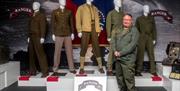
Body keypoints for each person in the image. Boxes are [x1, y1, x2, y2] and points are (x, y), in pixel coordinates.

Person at [111, 14, 139, 91]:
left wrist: (121, 53)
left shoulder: (134, 30)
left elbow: (132, 46)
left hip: (128, 59)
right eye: (124, 19)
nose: (126, 21)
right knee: (119, 78)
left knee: (129, 79)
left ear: (131, 21)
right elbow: (113, 41)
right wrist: (115, 51)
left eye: (128, 20)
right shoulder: (117, 29)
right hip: (118, 58)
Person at [76, 0, 104, 74]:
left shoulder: (95, 8)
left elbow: (97, 20)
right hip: (85, 29)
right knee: (83, 47)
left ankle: (100, 66)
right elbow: (78, 19)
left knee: (96, 47)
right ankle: (82, 67)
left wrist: (98, 30)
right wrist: (79, 30)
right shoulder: (81, 8)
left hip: (94, 28)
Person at [51, 0, 76, 74]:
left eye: (65, 1)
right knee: (57, 52)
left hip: (68, 34)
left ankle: (72, 68)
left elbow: (71, 23)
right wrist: (53, 33)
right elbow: (52, 23)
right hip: (58, 34)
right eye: (62, 1)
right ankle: (55, 69)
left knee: (69, 51)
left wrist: (72, 33)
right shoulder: (55, 11)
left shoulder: (69, 11)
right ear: (59, 2)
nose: (64, 2)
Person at [28, 2, 49, 78]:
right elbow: (29, 26)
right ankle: (32, 71)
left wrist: (42, 37)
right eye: (33, 5)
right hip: (31, 36)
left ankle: (45, 71)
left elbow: (43, 26)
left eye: (35, 5)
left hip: (38, 36)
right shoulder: (31, 15)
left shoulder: (41, 15)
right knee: (31, 54)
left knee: (40, 54)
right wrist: (28, 36)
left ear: (39, 6)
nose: (34, 6)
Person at [135, 5, 157, 76]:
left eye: (148, 8)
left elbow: (154, 29)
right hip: (141, 37)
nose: (148, 9)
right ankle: (138, 70)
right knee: (140, 54)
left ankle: (153, 70)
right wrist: (137, 39)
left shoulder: (151, 18)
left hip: (149, 37)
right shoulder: (139, 19)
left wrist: (154, 38)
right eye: (146, 8)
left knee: (151, 54)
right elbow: (136, 30)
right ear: (143, 9)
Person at [106, 0, 124, 75]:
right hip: (113, 35)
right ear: (115, 3)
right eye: (119, 1)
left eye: (121, 2)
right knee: (112, 53)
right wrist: (109, 36)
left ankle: (119, 69)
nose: (120, 3)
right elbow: (108, 25)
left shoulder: (122, 14)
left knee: (121, 52)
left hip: (122, 35)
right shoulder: (111, 13)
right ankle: (109, 69)